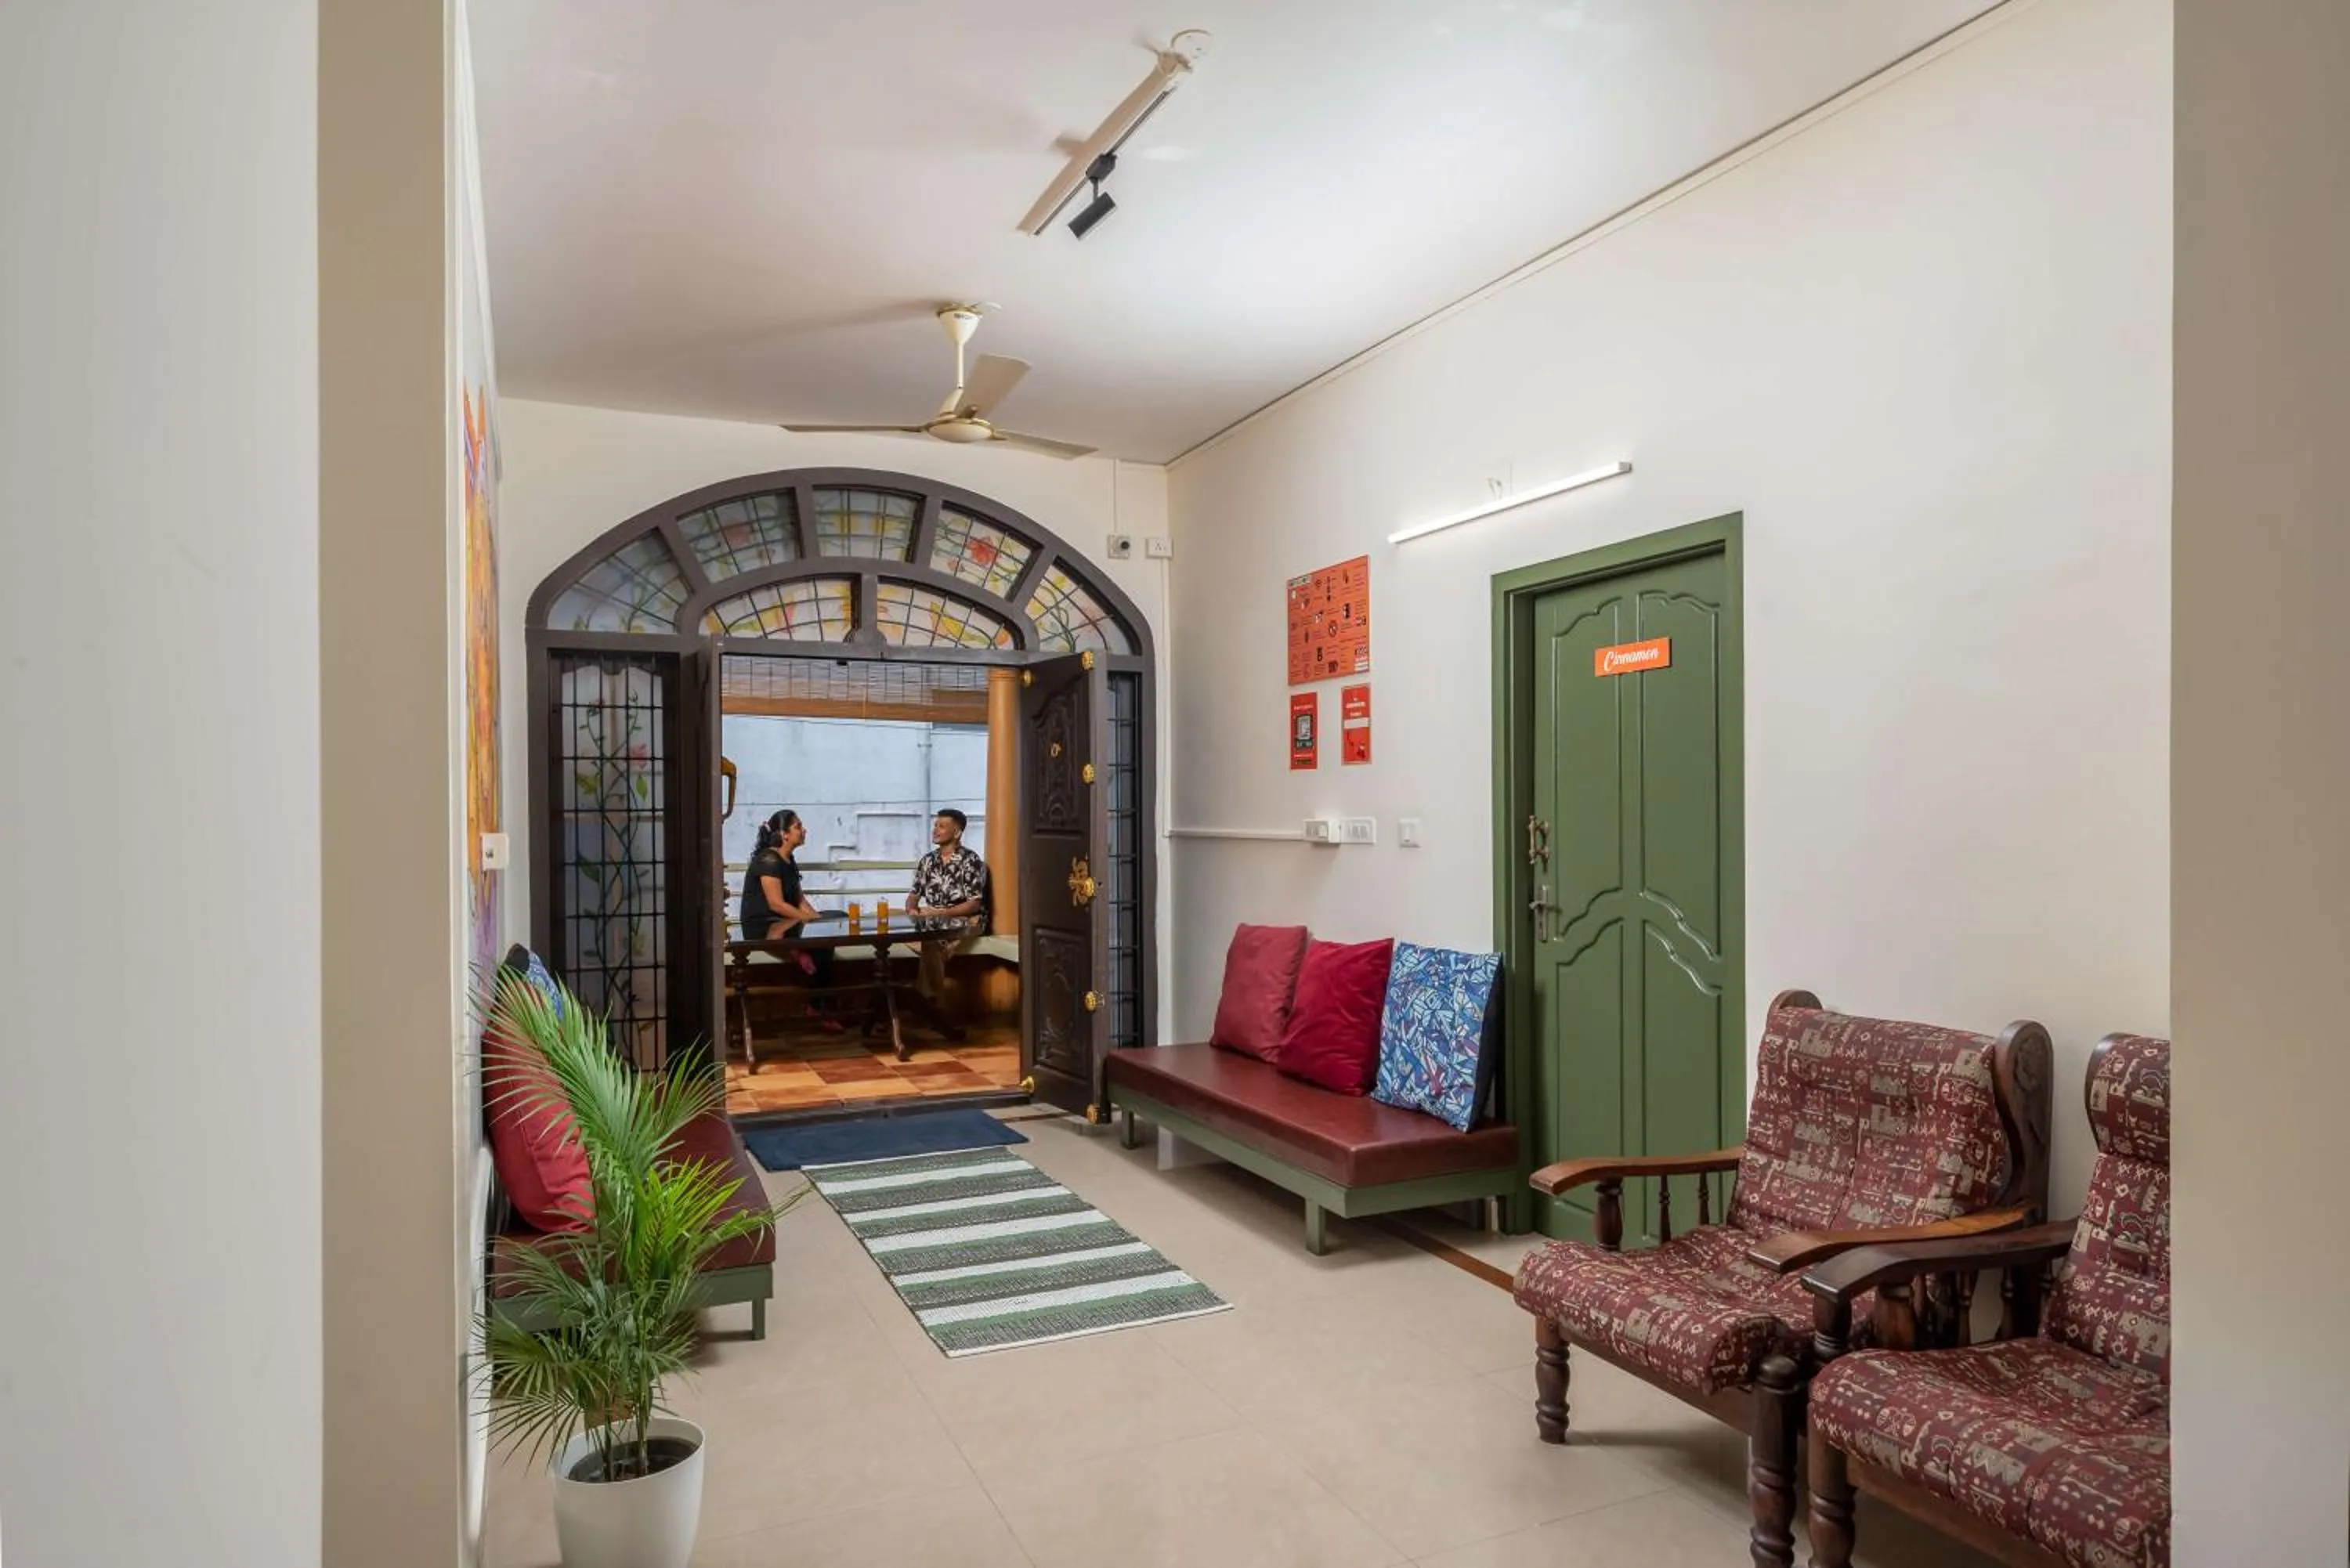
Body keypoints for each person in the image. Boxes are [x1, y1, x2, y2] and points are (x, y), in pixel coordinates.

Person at [906, 807, 988, 1025]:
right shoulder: (927, 861)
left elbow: (974, 904)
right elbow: (913, 895)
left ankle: (929, 1005)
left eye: (942, 826)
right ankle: (930, 1006)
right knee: (928, 939)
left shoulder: (971, 861)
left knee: (931, 943)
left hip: (964, 920)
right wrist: (912, 910)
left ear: (957, 832)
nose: (935, 830)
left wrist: (944, 913)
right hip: (932, 919)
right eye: (935, 825)